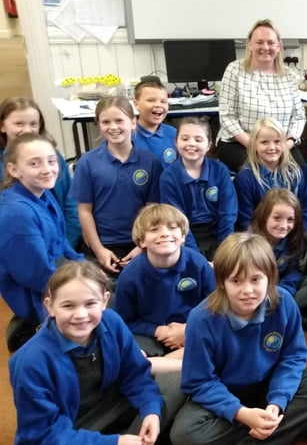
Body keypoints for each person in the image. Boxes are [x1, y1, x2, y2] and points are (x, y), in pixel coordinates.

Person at [170, 233, 307, 444]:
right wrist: (240, 413)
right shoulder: (201, 319)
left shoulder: (284, 302)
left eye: (256, 279)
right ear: (222, 282)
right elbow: (199, 381)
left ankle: (272, 424)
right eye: (236, 281)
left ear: (269, 278)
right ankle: (293, 423)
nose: (247, 290)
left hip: (268, 383)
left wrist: (277, 402)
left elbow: (293, 356)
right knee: (184, 435)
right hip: (225, 389)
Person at [10, 260, 185, 444]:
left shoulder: (112, 322)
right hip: (65, 430)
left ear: (104, 300)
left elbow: (135, 374)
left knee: (177, 381)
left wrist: (151, 410)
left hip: (107, 409)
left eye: (90, 303)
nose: (81, 315)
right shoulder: (31, 362)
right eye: (68, 306)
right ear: (50, 306)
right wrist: (113, 442)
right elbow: (43, 433)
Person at [0, 134, 83, 351]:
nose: (47, 169)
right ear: (14, 170)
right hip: (39, 294)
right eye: (34, 164)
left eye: (51, 161)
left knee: (118, 291)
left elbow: (62, 242)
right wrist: (83, 291)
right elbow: (38, 278)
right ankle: (36, 331)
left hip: (57, 272)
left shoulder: (42, 194)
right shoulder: (17, 213)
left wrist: (84, 267)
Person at [69, 96, 162, 275]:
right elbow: (84, 211)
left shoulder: (150, 162)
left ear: (133, 122)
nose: (113, 127)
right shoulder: (87, 162)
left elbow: (152, 208)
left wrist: (142, 246)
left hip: (139, 243)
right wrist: (98, 250)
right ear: (98, 124)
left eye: (119, 120)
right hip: (102, 245)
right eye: (106, 122)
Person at [113, 204, 215, 357]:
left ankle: (168, 363)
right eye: (154, 230)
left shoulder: (198, 263)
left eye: (172, 228)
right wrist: (158, 330)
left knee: (213, 342)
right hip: (150, 333)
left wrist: (188, 328)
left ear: (183, 236)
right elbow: (124, 320)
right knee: (136, 355)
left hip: (192, 327)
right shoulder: (130, 275)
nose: (165, 234)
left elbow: (216, 304)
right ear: (142, 241)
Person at [216, 19, 307, 172]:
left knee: (299, 172)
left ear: (278, 47)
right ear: (250, 45)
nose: (265, 47)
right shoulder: (235, 70)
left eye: (271, 43)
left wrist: (287, 144)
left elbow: (298, 117)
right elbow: (227, 116)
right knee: (260, 172)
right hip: (240, 143)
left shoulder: (289, 75)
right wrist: (256, 146)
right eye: (259, 42)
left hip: (279, 145)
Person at [0, 96, 81, 248]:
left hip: (61, 241)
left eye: (33, 124)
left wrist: (67, 243)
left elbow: (70, 201)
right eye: (19, 124)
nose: (27, 130)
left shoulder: (53, 156)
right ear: (2, 126)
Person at [250, 188, 307, 327]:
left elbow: (294, 273)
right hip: (259, 295)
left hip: (286, 291)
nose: (284, 225)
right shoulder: (250, 243)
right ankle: (296, 319)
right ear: (265, 216)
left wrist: (284, 292)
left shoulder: (296, 241)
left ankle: (282, 313)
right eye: (277, 218)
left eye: (290, 219)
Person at [160, 117, 237, 259]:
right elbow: (176, 219)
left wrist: (224, 249)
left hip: (218, 233)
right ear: (175, 142)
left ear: (209, 145)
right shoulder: (168, 177)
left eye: (198, 139)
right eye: (185, 139)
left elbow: (228, 213)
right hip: (185, 236)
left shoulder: (220, 171)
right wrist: (196, 256)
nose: (191, 144)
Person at [234, 117, 307, 231]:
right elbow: (245, 220)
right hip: (259, 238)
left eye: (277, 142)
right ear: (254, 144)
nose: (272, 148)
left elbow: (306, 210)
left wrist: (300, 236)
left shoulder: (295, 174)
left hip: (292, 235)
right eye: (264, 142)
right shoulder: (245, 178)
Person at [132, 77, 178, 169]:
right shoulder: (127, 137)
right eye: (151, 100)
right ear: (136, 104)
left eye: (163, 101)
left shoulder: (174, 134)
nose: (158, 105)